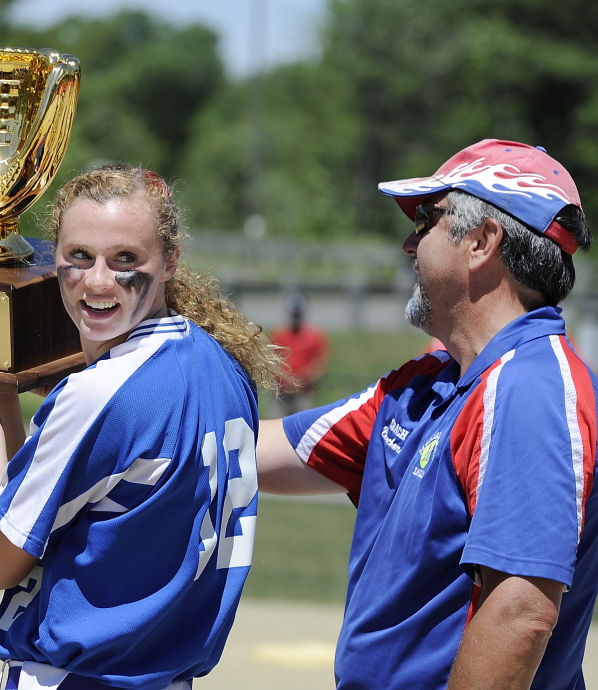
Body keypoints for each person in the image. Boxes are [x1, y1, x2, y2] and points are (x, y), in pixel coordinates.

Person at [0, 164, 284, 690]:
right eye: (78, 257)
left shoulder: (102, 391)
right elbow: (41, 503)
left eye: (125, 260)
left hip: (77, 676)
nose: (97, 281)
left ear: (170, 261)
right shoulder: (219, 361)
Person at [256, 139, 598, 688]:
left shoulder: (529, 387)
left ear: (483, 241)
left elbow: (522, 614)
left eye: (426, 219)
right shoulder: (431, 382)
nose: (408, 244)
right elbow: (247, 451)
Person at [268, 292, 329, 416]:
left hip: (303, 393)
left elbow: (319, 364)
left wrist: (301, 381)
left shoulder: (313, 336)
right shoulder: (279, 334)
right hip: (282, 392)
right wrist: (282, 380)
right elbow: (270, 360)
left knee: (303, 427)